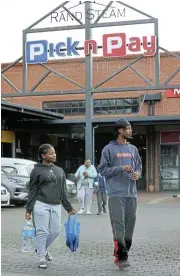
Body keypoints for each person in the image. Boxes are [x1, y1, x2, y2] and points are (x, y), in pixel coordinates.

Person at [98, 119, 142, 269]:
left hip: (132, 194)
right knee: (119, 226)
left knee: (129, 228)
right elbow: (102, 170)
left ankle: (121, 252)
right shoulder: (108, 149)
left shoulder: (134, 149)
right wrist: (120, 168)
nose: (130, 131)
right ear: (119, 131)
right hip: (116, 194)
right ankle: (122, 258)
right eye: (128, 128)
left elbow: (139, 167)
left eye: (130, 128)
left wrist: (137, 174)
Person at [25, 144, 76, 269]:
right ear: (43, 155)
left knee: (55, 230)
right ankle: (42, 257)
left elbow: (63, 191)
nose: (54, 155)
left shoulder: (59, 170)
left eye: (54, 153)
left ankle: (42, 248)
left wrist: (68, 207)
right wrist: (28, 209)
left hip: (56, 204)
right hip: (41, 204)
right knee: (42, 231)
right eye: (51, 153)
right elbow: (33, 190)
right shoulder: (36, 170)